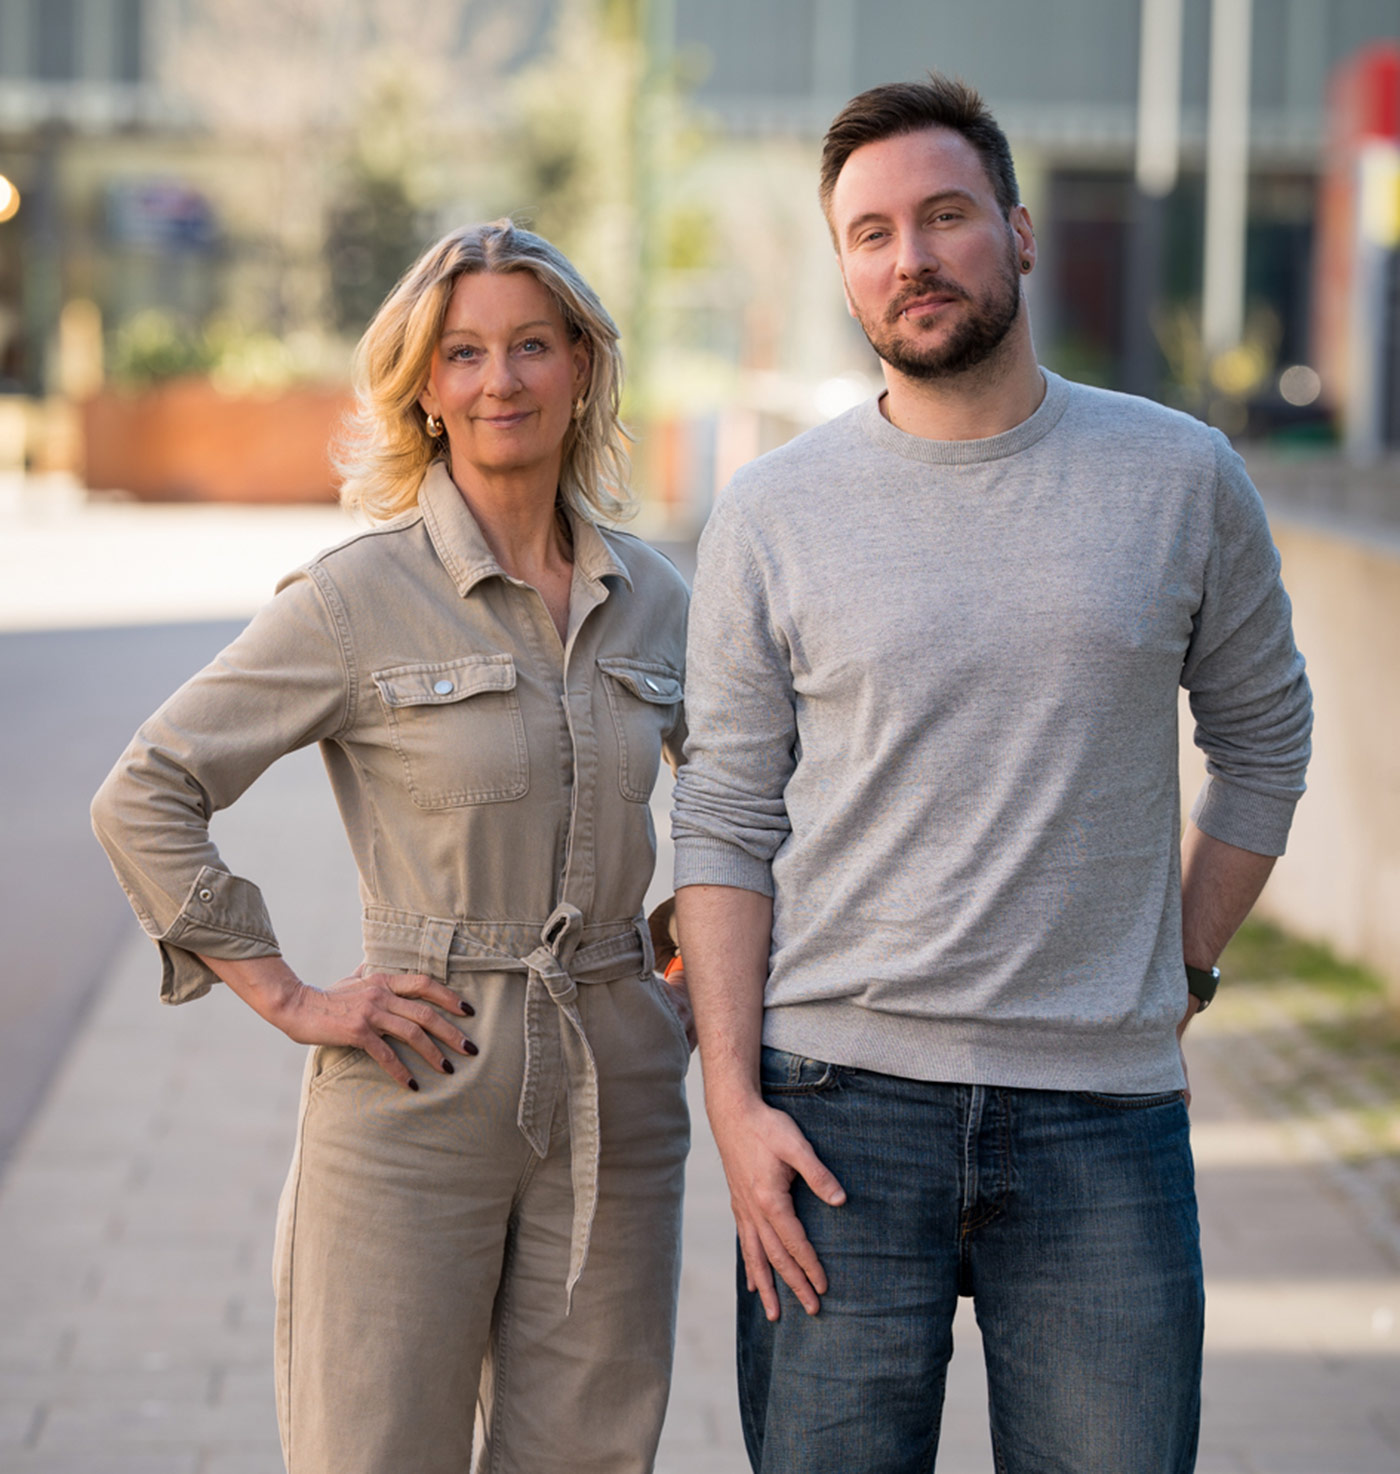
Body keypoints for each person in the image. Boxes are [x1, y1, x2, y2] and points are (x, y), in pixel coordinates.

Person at [672, 74, 1312, 1474]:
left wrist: (1180, 969)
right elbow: (721, 816)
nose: (912, 256)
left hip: (1104, 1121)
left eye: (946, 215)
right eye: (872, 232)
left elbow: (1266, 743)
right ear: (843, 267)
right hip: (836, 1110)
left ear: (1018, 231)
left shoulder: (1181, 477)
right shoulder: (774, 512)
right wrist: (735, 1103)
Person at [91, 221, 693, 1474]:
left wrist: (693, 943)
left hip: (617, 1091)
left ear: (582, 364)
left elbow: (753, 802)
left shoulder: (661, 599)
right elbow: (145, 789)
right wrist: (289, 992)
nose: (499, 381)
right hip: (417, 1085)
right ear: (425, 385)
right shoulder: (355, 595)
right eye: (464, 353)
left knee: (590, 1457)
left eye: (531, 345)